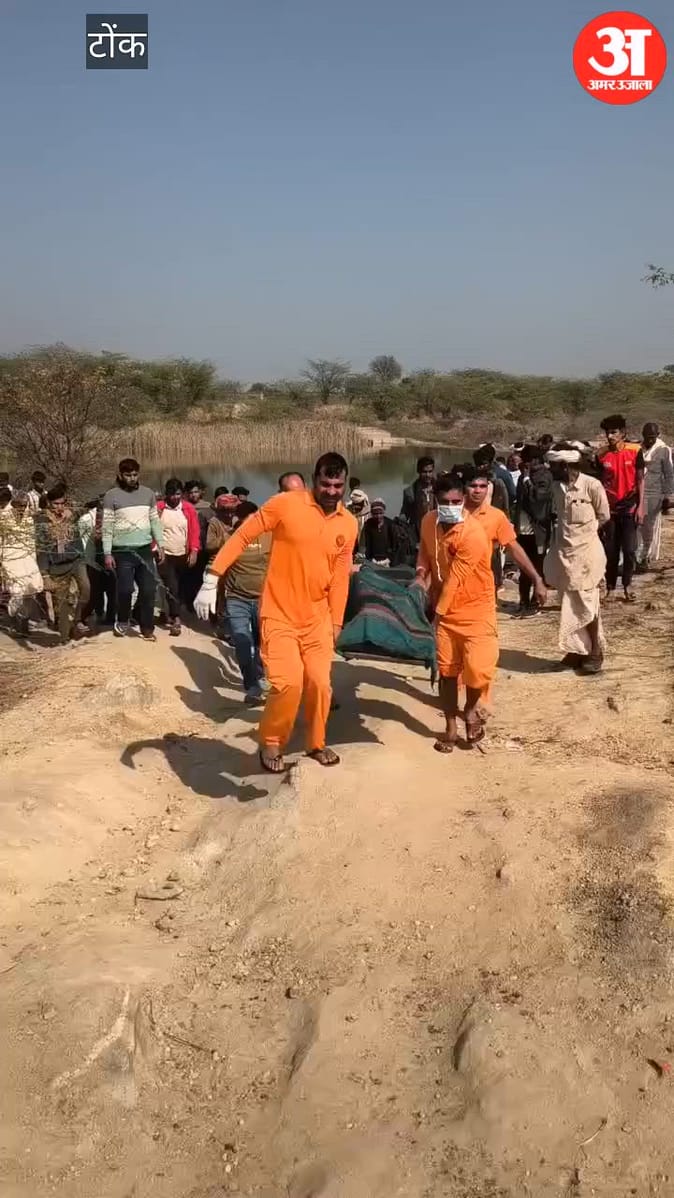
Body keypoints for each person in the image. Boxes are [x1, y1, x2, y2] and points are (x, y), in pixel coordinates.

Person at [195, 452, 358, 772]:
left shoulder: (349, 523)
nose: (331, 491)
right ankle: (272, 741)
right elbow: (243, 535)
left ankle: (316, 743)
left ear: (345, 485)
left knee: (320, 684)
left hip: (318, 618)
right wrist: (212, 577)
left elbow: (340, 577)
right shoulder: (286, 504)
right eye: (326, 484)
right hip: (279, 614)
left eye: (338, 485)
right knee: (288, 684)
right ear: (314, 480)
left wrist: (337, 621)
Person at [415, 473, 498, 751]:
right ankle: (451, 729)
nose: (450, 506)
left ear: (463, 500)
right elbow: (425, 551)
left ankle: (472, 710)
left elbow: (455, 580)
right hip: (445, 611)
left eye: (455, 501)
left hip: (476, 610)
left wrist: (434, 616)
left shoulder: (473, 534)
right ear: (435, 501)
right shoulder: (428, 522)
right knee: (448, 672)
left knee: (477, 671)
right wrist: (420, 575)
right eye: (444, 502)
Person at [545, 444, 610, 674]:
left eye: (553, 465)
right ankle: (577, 650)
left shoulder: (592, 485)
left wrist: (585, 535)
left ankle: (595, 652)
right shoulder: (557, 487)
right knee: (568, 602)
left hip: (587, 555)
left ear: (564, 465)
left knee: (588, 602)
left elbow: (604, 516)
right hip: (564, 555)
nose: (550, 469)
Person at [463, 466, 548, 606]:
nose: (478, 491)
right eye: (473, 486)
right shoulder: (450, 515)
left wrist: (537, 579)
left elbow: (514, 548)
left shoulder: (496, 517)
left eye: (482, 486)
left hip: (483, 593)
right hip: (452, 591)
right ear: (464, 487)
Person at [101, 458, 164, 641]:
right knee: (125, 590)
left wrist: (160, 544)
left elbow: (154, 521)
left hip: (144, 549)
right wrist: (107, 553)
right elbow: (107, 526)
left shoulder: (148, 494)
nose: (132, 478)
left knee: (148, 590)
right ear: (121, 475)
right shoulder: (111, 496)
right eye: (128, 475)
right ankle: (122, 620)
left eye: (135, 474)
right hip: (122, 551)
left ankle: (147, 627)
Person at [221, 501, 271, 704]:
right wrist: (216, 599)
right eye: (247, 521)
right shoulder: (231, 538)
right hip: (236, 599)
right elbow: (219, 567)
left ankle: (261, 676)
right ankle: (251, 686)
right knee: (242, 642)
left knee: (262, 644)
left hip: (263, 599)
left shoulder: (270, 537)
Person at [35, 484, 91, 643]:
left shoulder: (70, 516)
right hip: (57, 566)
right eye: (56, 504)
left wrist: (73, 512)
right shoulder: (42, 521)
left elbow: (86, 508)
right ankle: (65, 635)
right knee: (61, 604)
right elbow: (41, 549)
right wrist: (45, 574)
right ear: (49, 503)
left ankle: (77, 619)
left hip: (76, 560)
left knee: (86, 590)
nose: (59, 507)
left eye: (62, 503)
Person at [597, 414, 644, 601]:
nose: (610, 436)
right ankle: (610, 587)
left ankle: (628, 585)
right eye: (607, 433)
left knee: (630, 549)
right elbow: (598, 484)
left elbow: (640, 480)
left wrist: (641, 506)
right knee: (611, 551)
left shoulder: (635, 450)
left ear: (622, 433)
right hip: (610, 509)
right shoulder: (601, 455)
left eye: (613, 432)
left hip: (630, 506)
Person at [155, 478, 200, 637]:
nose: (175, 498)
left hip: (183, 553)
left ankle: (174, 610)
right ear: (166, 494)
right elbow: (153, 529)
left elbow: (194, 531)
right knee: (171, 585)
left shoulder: (188, 509)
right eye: (172, 494)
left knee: (182, 586)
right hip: (165, 554)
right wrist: (156, 547)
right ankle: (176, 619)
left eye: (178, 494)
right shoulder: (159, 508)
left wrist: (194, 550)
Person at [513, 446, 554, 615]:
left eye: (527, 461)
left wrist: (527, 481)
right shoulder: (523, 477)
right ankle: (523, 600)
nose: (525, 465)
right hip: (522, 529)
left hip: (539, 530)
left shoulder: (545, 477)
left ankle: (535, 600)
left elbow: (539, 498)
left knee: (537, 566)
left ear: (535, 461)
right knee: (523, 566)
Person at [0, 490, 43, 637]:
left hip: (28, 559)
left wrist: (34, 560)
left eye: (24, 505)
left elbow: (31, 543)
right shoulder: (3, 518)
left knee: (31, 591)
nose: (22, 508)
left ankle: (23, 625)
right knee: (16, 592)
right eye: (19, 505)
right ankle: (13, 621)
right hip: (10, 559)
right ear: (13, 504)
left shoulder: (29, 520)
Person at [637, 422, 673, 570]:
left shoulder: (664, 450)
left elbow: (669, 474)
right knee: (636, 526)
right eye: (647, 437)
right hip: (638, 491)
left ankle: (644, 557)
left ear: (658, 435)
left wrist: (667, 496)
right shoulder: (638, 448)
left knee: (648, 526)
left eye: (653, 437)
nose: (650, 440)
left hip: (654, 492)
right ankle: (636, 556)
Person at [401, 457, 437, 540]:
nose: (428, 475)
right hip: (418, 534)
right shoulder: (410, 492)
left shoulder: (441, 489)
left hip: (437, 533)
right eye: (424, 472)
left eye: (430, 471)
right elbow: (405, 513)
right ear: (418, 471)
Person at [362, 499, 398, 565]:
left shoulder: (390, 524)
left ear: (384, 512)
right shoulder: (368, 524)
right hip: (373, 560)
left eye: (380, 513)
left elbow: (395, 545)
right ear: (372, 514)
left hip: (387, 561)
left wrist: (389, 559)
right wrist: (370, 559)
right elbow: (367, 544)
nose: (378, 516)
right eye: (375, 514)